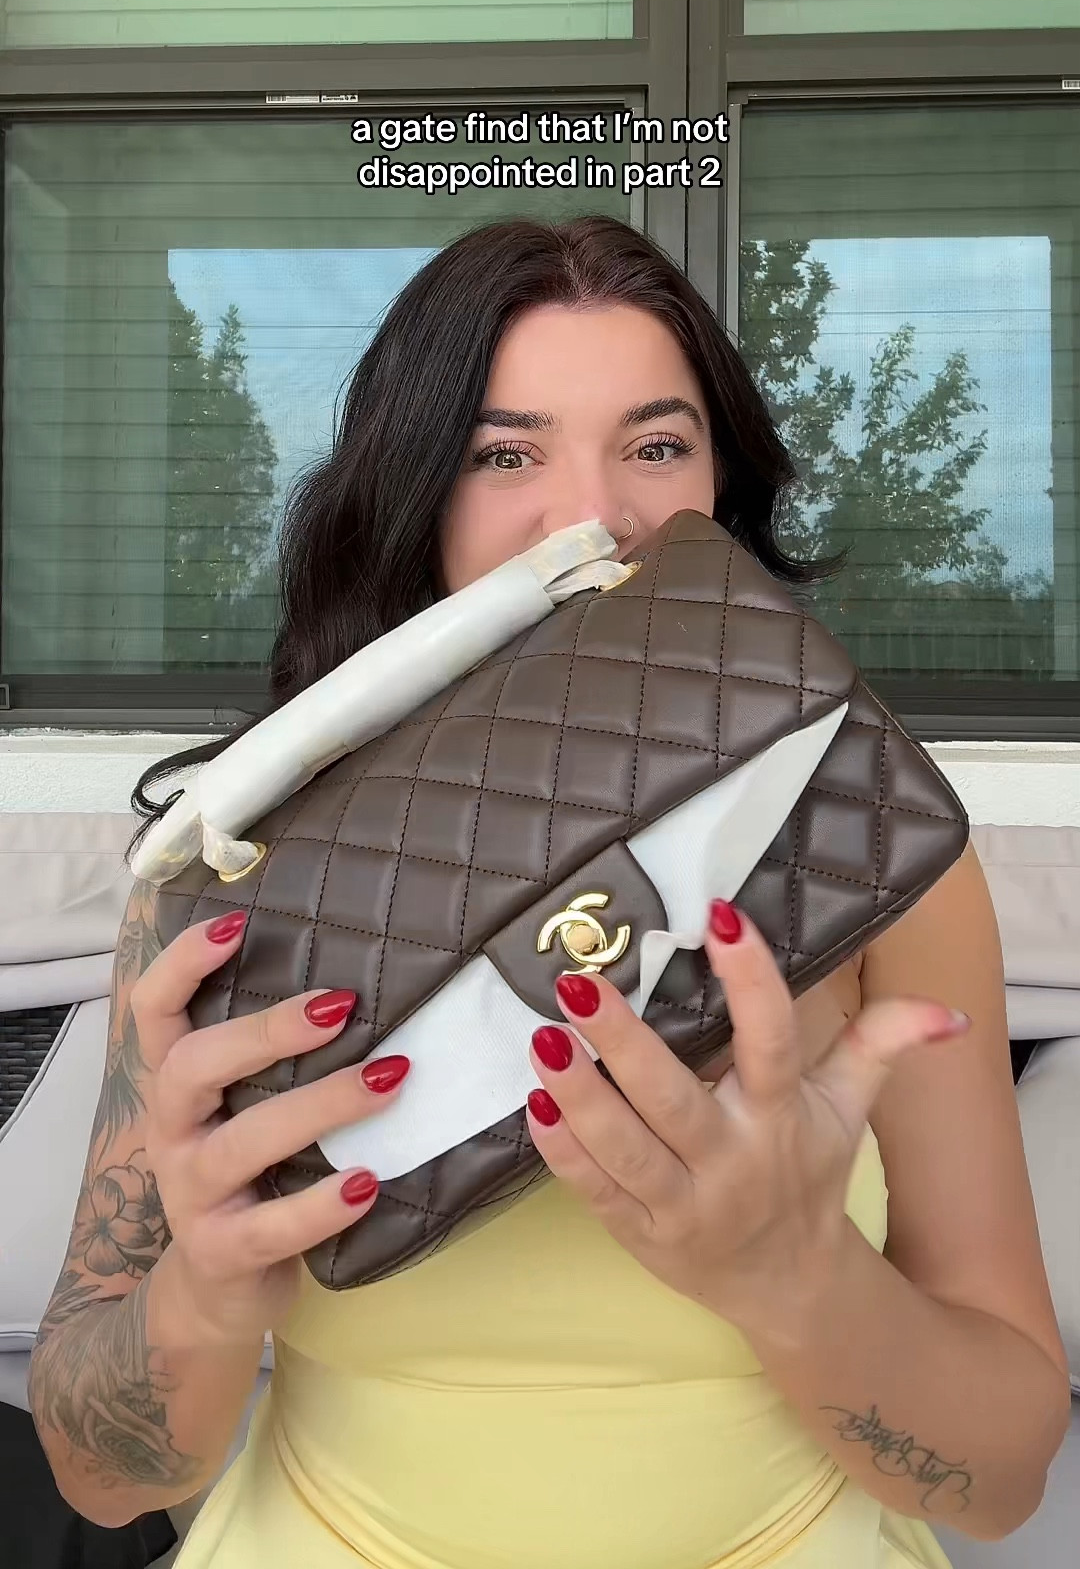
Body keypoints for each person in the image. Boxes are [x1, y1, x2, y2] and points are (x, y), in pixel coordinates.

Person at [28, 217, 1070, 1568]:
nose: (593, 518)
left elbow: (1002, 1482)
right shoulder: (227, 883)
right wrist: (206, 1294)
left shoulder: (868, 848)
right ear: (415, 500)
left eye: (657, 445)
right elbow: (101, 1484)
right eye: (504, 455)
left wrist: (797, 1281)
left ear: (721, 491)